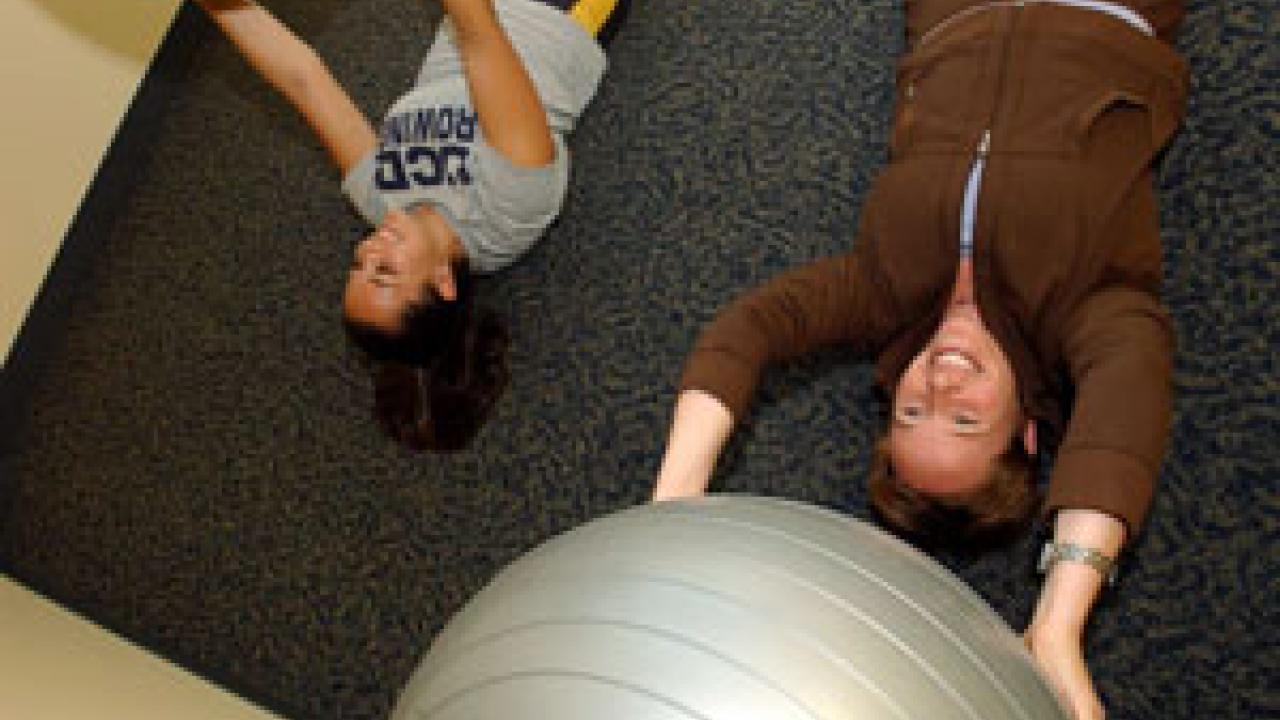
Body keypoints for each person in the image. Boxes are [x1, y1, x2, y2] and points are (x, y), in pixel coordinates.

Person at [650, 0, 1188, 717]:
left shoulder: (878, 297)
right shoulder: (1091, 314)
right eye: (963, 418)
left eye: (912, 409)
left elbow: (747, 332)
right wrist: (1060, 622)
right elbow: (1126, 408)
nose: (939, 378)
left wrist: (672, 504)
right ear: (1027, 431)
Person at [195, 0, 627, 450]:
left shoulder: (383, 203)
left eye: (358, 266)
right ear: (442, 282)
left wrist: (223, 9)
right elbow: (479, 35)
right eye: (385, 272)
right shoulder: (509, 203)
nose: (369, 250)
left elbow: (304, 82)